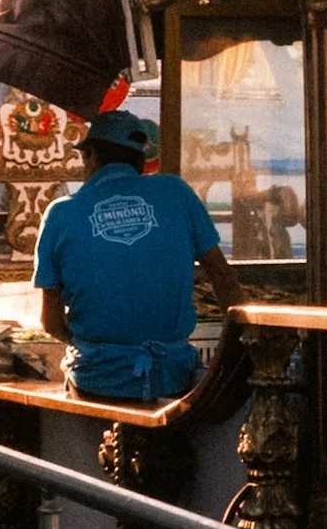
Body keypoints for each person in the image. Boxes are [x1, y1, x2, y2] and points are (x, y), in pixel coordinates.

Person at [34, 110, 245, 401]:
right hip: (173, 377)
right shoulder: (176, 193)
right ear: (141, 159)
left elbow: (51, 322)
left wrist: (97, 347)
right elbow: (222, 277)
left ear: (92, 155)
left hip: (96, 380)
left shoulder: (61, 213)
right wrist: (242, 347)